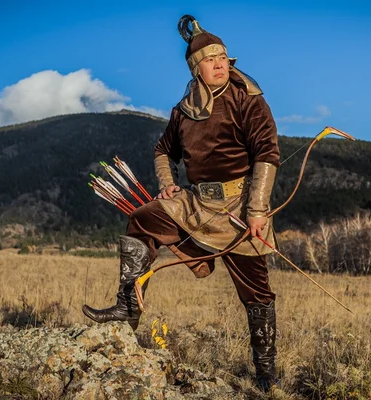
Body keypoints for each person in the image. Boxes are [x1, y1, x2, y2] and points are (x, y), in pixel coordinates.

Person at [82, 15, 280, 391]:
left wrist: (256, 210)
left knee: (256, 292)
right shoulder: (184, 110)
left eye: (223, 56)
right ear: (196, 68)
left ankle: (266, 373)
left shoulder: (248, 99)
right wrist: (168, 184)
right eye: (211, 59)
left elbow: (267, 155)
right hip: (194, 206)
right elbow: (162, 150)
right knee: (141, 219)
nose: (220, 63)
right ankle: (128, 307)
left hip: (240, 208)